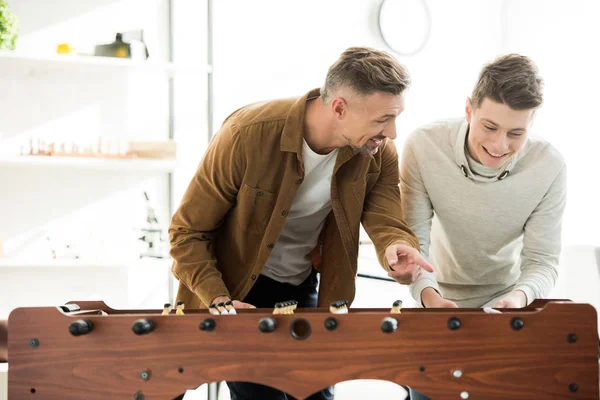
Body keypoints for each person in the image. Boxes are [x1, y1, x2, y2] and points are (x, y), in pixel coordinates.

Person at [169, 47, 433, 400]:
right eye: (382, 119)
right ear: (339, 107)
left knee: (315, 395)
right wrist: (220, 299)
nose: (393, 132)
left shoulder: (377, 151)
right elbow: (186, 233)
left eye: (396, 117)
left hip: (304, 286)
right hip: (235, 292)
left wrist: (395, 246)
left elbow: (385, 215)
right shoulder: (248, 134)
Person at [401, 54, 567, 311]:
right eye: (490, 127)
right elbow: (414, 244)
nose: (499, 145)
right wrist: (429, 297)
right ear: (469, 110)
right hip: (432, 297)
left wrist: (518, 299)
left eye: (516, 133)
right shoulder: (424, 146)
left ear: (531, 124)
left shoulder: (550, 166)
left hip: (507, 300)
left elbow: (542, 261)